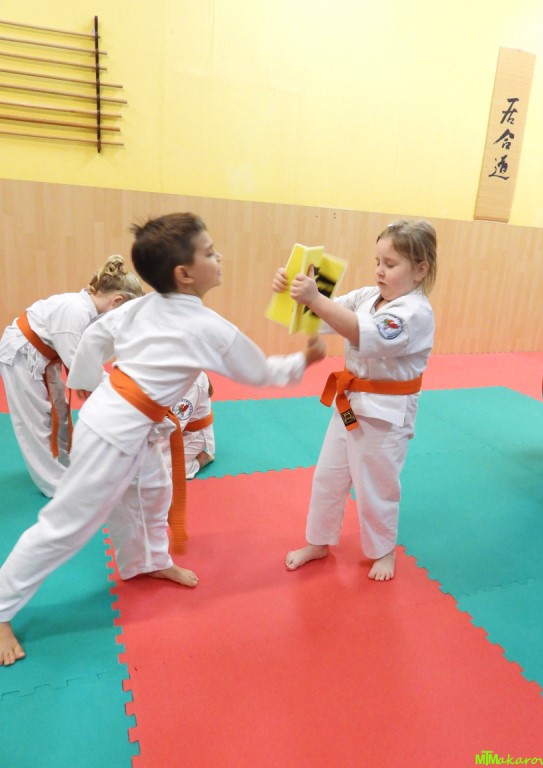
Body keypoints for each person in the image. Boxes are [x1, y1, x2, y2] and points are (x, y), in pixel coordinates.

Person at [0, 212, 326, 665]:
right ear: (184, 273)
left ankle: (147, 562)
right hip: (115, 428)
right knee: (67, 525)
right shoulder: (207, 327)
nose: (219, 257)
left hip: (135, 420)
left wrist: (87, 381)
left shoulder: (143, 306)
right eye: (210, 252)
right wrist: (304, 360)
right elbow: (258, 372)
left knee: (153, 493)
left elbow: (95, 337)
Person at [274, 219, 437, 581]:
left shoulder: (414, 313)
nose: (379, 270)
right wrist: (293, 291)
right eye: (378, 261)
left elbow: (363, 332)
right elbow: (326, 315)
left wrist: (315, 298)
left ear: (421, 269)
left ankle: (383, 550)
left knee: (376, 486)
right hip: (348, 403)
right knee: (328, 477)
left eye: (390, 264)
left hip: (385, 415)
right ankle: (318, 541)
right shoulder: (368, 296)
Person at [0, 255, 144, 497]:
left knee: (60, 413)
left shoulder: (89, 312)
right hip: (22, 355)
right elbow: (80, 367)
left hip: (46, 356)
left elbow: (88, 361)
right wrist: (123, 394)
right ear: (117, 300)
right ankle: (54, 484)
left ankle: (69, 466)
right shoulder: (75, 311)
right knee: (36, 422)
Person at [162, 372, 216, 480]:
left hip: (192, 436)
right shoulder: (165, 369)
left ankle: (200, 461)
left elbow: (175, 426)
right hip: (167, 428)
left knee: (154, 472)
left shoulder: (192, 383)